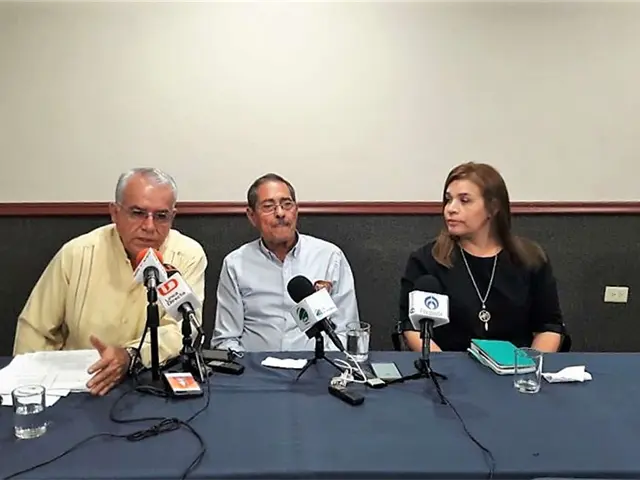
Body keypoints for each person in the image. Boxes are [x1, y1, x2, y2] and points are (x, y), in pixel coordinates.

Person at [13, 168, 207, 396]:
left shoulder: (188, 255)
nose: (149, 226)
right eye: (137, 213)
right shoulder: (77, 254)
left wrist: (130, 355)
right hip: (80, 384)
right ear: (114, 213)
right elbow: (35, 329)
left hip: (150, 382)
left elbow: (181, 329)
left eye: (161, 216)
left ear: (173, 217)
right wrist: (27, 391)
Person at [399, 162, 567, 353]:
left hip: (517, 366)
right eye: (448, 199)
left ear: (493, 208)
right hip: (447, 367)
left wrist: (529, 366)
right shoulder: (425, 261)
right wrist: (444, 366)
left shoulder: (530, 260)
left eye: (464, 200)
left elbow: (549, 327)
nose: (451, 209)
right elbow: (412, 329)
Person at [212, 173, 360, 352]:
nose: (280, 213)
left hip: (317, 364)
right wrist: (247, 366)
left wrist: (324, 363)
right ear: (251, 216)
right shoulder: (235, 264)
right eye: (268, 206)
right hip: (255, 365)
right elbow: (226, 339)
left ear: (296, 210)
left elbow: (345, 330)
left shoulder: (329, 257)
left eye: (287, 204)